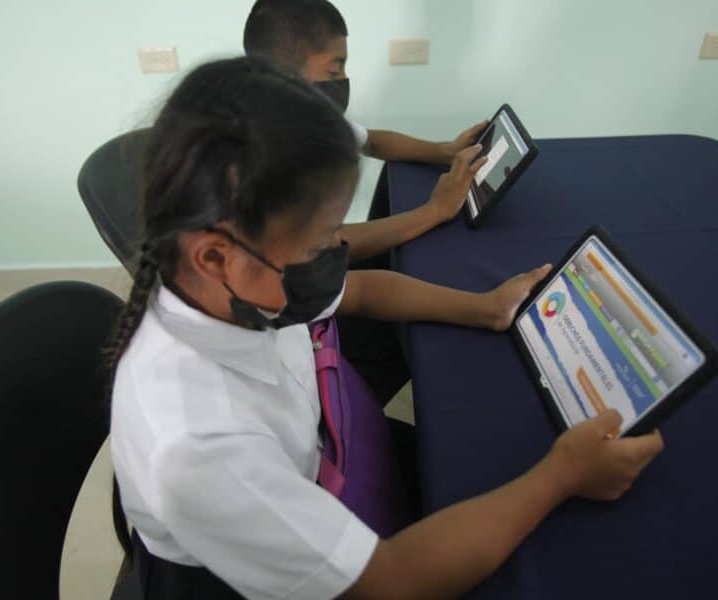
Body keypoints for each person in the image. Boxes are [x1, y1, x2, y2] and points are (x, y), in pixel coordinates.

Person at [109, 56, 664, 600]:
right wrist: (562, 477)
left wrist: (487, 306)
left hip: (321, 455)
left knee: (477, 457)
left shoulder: (230, 286)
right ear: (214, 257)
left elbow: (363, 290)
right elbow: (391, 580)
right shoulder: (201, 448)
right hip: (244, 568)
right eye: (319, 241)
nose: (337, 252)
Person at [244, 0, 489, 401]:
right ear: (284, 76)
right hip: (295, 345)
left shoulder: (301, 113)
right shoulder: (276, 164)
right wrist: (433, 212)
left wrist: (443, 151)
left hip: (311, 293)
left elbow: (371, 139)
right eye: (334, 67)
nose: (344, 79)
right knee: (416, 337)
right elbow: (352, 275)